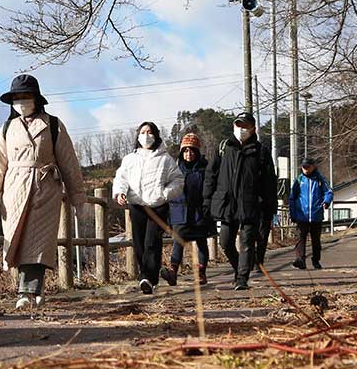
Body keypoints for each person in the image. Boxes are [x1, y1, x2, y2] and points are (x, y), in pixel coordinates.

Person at [0, 74, 86, 310]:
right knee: (17, 240)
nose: (21, 101)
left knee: (37, 242)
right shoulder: (8, 128)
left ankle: (27, 292)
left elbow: (69, 162)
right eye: (16, 97)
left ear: (37, 99)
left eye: (26, 96)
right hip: (15, 188)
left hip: (44, 188)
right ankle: (33, 290)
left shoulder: (53, 125)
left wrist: (78, 197)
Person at [203, 112, 277, 290]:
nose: (241, 129)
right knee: (225, 242)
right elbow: (210, 175)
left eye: (245, 126)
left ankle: (242, 278)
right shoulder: (223, 148)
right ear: (233, 127)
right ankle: (239, 269)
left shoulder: (261, 152)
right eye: (238, 125)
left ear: (253, 129)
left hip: (251, 204)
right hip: (227, 204)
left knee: (247, 243)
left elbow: (269, 181)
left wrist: (269, 206)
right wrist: (207, 199)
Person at [113, 122, 184, 294]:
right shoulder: (130, 159)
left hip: (158, 206)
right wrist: (120, 192)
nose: (146, 135)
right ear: (138, 136)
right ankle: (150, 278)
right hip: (137, 206)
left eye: (149, 132)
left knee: (151, 242)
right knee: (139, 244)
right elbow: (121, 178)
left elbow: (178, 181)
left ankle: (146, 278)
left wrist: (164, 194)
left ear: (156, 135)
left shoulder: (165, 159)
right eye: (143, 132)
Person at [162, 132, 214, 286]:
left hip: (200, 211)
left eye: (192, 150)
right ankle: (173, 271)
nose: (188, 153)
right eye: (185, 150)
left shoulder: (205, 169)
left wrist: (207, 206)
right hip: (179, 211)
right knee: (178, 240)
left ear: (197, 152)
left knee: (201, 241)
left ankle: (201, 272)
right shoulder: (174, 169)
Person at [289, 157, 331, 269]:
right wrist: (293, 213)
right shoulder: (299, 180)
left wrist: (326, 202)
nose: (305, 169)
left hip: (316, 214)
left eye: (307, 167)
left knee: (316, 240)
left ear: (313, 166)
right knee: (300, 238)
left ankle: (316, 260)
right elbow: (292, 197)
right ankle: (300, 260)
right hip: (302, 214)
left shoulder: (320, 179)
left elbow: (328, 192)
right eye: (303, 167)